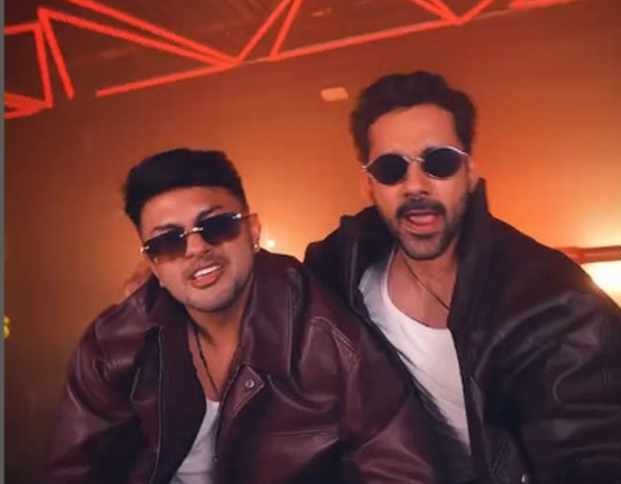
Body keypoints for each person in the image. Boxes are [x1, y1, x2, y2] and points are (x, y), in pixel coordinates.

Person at [304, 71, 621, 484]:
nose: (415, 185)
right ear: (369, 186)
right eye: (390, 169)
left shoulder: (552, 300)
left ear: (470, 172)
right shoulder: (340, 278)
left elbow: (608, 447)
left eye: (440, 163)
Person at [46, 148, 443, 484]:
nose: (196, 249)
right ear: (153, 265)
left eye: (216, 226)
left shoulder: (330, 338)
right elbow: (74, 472)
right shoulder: (115, 346)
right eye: (168, 241)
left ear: (253, 230)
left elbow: (403, 469)